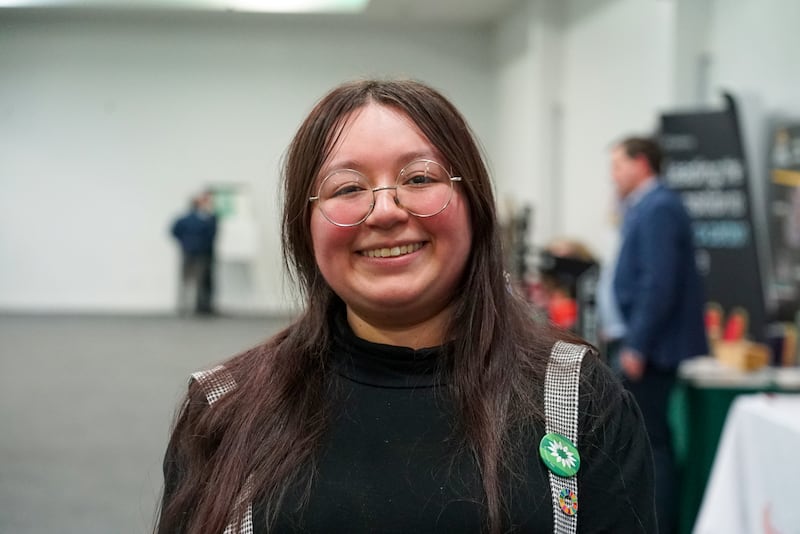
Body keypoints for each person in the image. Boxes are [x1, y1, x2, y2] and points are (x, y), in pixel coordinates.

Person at [155, 80, 656, 534]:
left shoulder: (576, 398)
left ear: (474, 206)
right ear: (304, 227)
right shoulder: (225, 408)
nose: (387, 210)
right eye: (348, 188)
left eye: (418, 179)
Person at [608, 136, 709, 534]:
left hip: (650, 348)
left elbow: (659, 283)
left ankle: (658, 525)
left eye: (618, 165)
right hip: (644, 342)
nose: (612, 175)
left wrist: (638, 343)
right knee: (647, 438)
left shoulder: (660, 207)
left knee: (652, 443)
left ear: (642, 163)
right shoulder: (646, 206)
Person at [170, 191, 217, 316]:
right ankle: (194, 307)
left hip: (193, 252)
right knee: (196, 281)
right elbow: (175, 232)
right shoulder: (203, 220)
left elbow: (174, 232)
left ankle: (188, 307)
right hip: (196, 253)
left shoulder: (186, 219)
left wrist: (184, 242)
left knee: (190, 280)